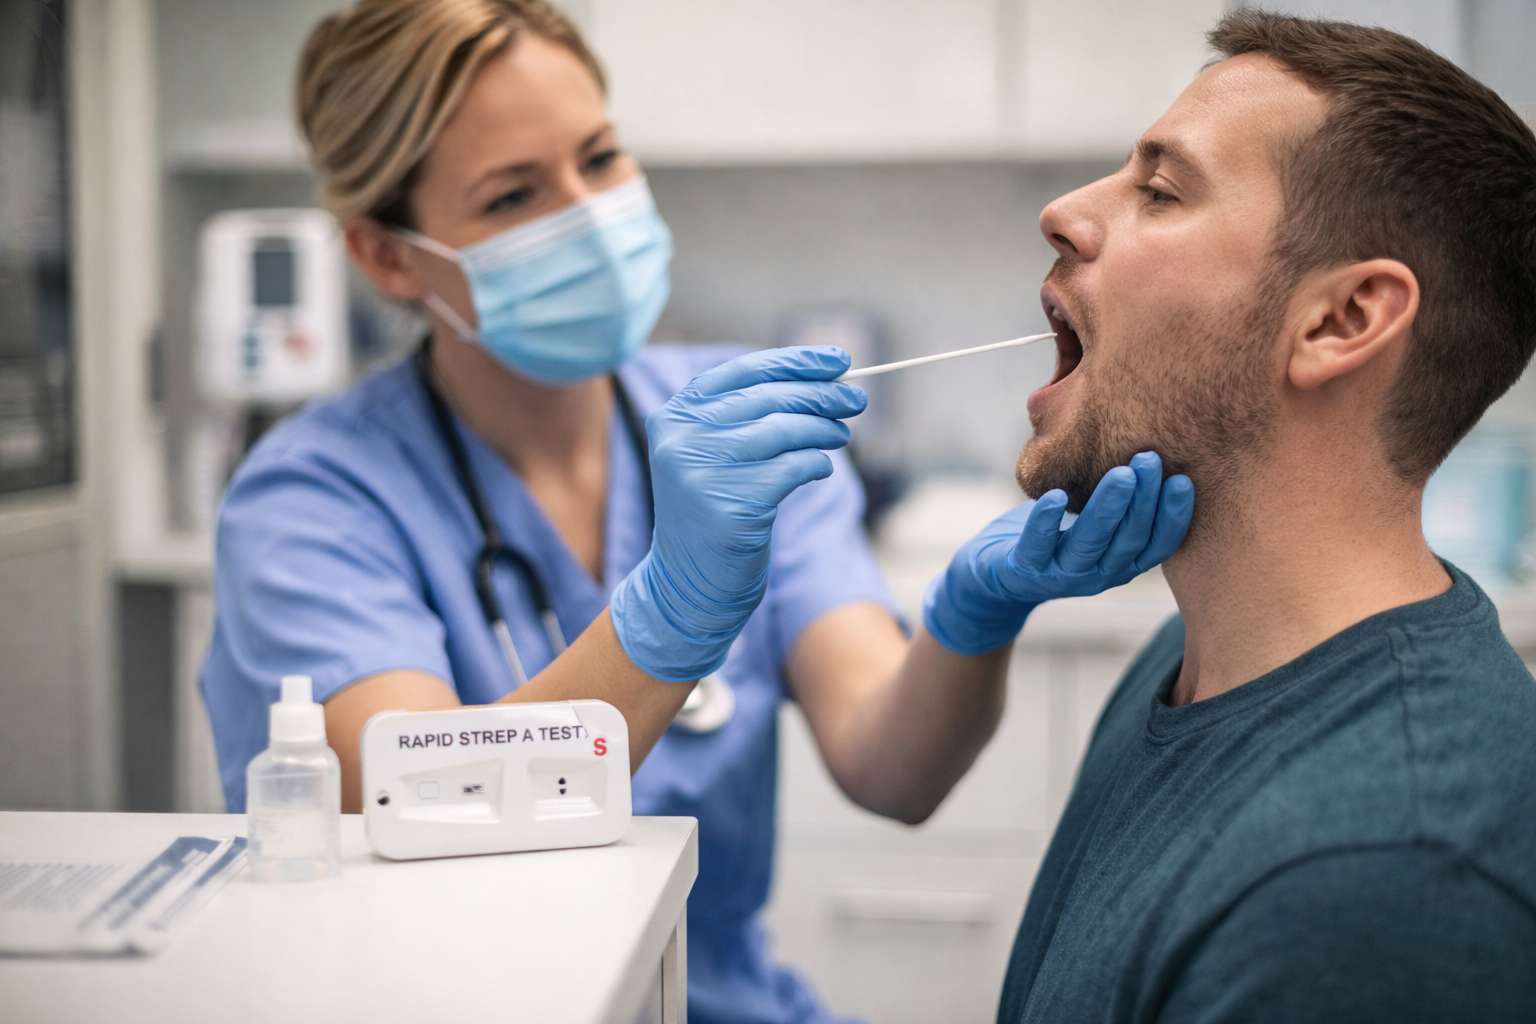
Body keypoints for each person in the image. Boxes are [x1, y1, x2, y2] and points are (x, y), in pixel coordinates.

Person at [198, 3, 1193, 1022]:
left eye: (599, 156)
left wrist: (970, 621)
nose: (587, 213)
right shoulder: (311, 498)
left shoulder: (733, 431)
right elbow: (411, 811)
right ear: (390, 259)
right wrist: (668, 615)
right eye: (513, 195)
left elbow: (892, 768)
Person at [995, 11, 1536, 1023]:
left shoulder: (1381, 884)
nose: (1064, 212)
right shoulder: (1186, 665)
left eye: (1161, 189)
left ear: (1341, 321)